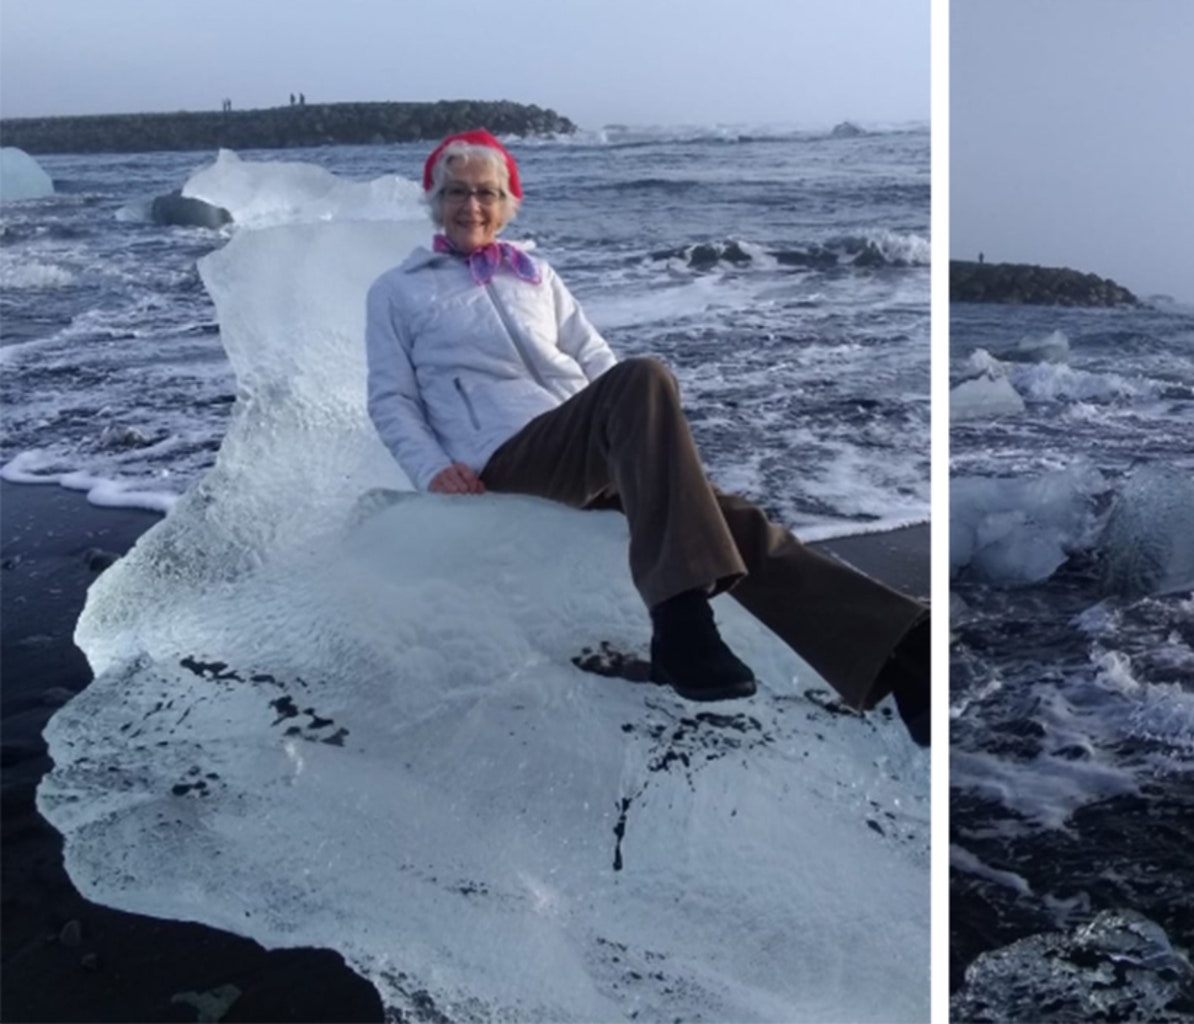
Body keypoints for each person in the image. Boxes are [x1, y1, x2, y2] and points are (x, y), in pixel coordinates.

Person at [364, 130, 931, 745]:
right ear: (434, 201)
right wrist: (431, 469)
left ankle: (902, 651)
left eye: (485, 193)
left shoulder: (535, 276)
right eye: (455, 193)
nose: (470, 206)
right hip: (500, 458)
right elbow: (391, 399)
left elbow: (591, 355)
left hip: (580, 444)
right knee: (646, 376)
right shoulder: (398, 290)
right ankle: (679, 618)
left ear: (507, 205)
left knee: (726, 519)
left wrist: (645, 442)